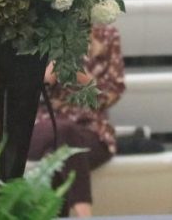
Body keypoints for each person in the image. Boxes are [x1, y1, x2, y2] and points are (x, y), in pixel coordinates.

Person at [29, 25, 125, 218]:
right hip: (42, 123)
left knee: (56, 157)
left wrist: (85, 79)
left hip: (90, 128)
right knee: (63, 131)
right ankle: (84, 214)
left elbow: (112, 94)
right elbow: (21, 94)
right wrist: (45, 76)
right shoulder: (41, 32)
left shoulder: (106, 37)